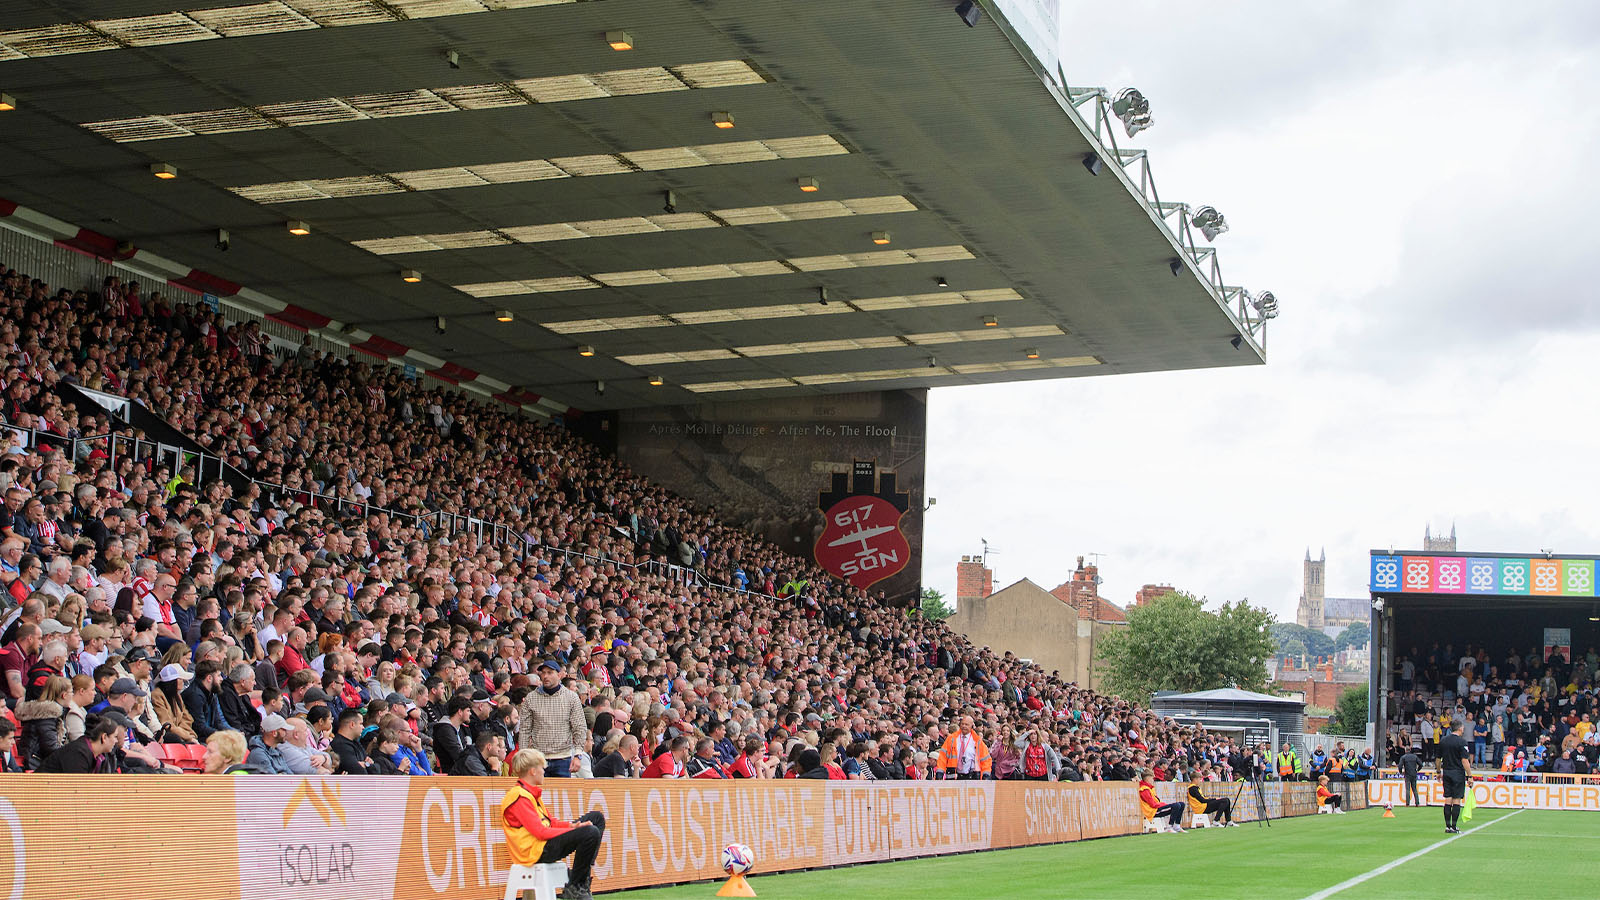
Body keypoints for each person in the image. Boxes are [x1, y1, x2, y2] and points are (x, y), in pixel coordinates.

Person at [500, 748, 606, 900]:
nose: (544, 771)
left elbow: (551, 823)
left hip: (543, 844)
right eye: (542, 768)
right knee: (590, 832)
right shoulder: (519, 797)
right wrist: (574, 831)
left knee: (596, 819)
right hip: (535, 851)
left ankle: (579, 881)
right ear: (532, 771)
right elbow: (541, 832)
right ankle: (576, 886)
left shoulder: (530, 794)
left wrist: (572, 827)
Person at [518, 661, 587, 778]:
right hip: (538, 757)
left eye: (550, 673)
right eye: (543, 673)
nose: (545, 676)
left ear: (559, 675)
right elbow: (524, 730)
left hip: (563, 758)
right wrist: (524, 756)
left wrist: (578, 754)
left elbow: (579, 727)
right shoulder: (531, 698)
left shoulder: (571, 698)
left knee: (561, 795)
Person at [935, 716, 992, 780]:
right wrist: (940, 772)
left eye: (966, 724)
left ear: (971, 726)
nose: (964, 726)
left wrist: (986, 774)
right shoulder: (951, 739)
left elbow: (986, 760)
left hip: (972, 777)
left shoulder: (977, 741)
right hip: (953, 776)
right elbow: (942, 757)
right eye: (962, 724)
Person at [1438, 722, 1471, 833]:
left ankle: (1447, 827)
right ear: (1460, 728)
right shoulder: (1462, 742)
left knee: (1448, 799)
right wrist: (1470, 776)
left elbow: (1438, 759)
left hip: (1446, 772)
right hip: (1457, 773)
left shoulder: (1443, 741)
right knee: (1456, 800)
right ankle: (1454, 826)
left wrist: (1438, 771)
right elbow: (1464, 760)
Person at [1138, 769, 1185, 833]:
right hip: (1153, 811)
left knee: (1182, 804)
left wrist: (1162, 804)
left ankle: (1177, 825)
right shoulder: (1144, 789)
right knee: (1176, 806)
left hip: (1156, 808)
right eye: (1152, 778)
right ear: (1148, 778)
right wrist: (1163, 804)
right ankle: (1169, 826)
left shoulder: (1150, 788)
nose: (1153, 780)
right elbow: (1153, 804)